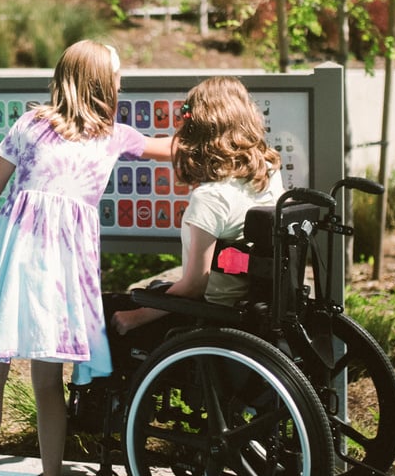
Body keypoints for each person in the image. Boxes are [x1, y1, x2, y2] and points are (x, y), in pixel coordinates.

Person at [0, 40, 172, 476]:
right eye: (118, 73)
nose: (123, 81)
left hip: (11, 259)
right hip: (64, 273)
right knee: (48, 386)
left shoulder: (30, 124)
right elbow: (172, 149)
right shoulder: (113, 137)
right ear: (102, 84)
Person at [110, 75, 283, 337]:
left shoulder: (211, 198)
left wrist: (134, 317)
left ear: (200, 129)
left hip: (214, 315)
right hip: (254, 307)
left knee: (109, 307)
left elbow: (192, 287)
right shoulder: (268, 171)